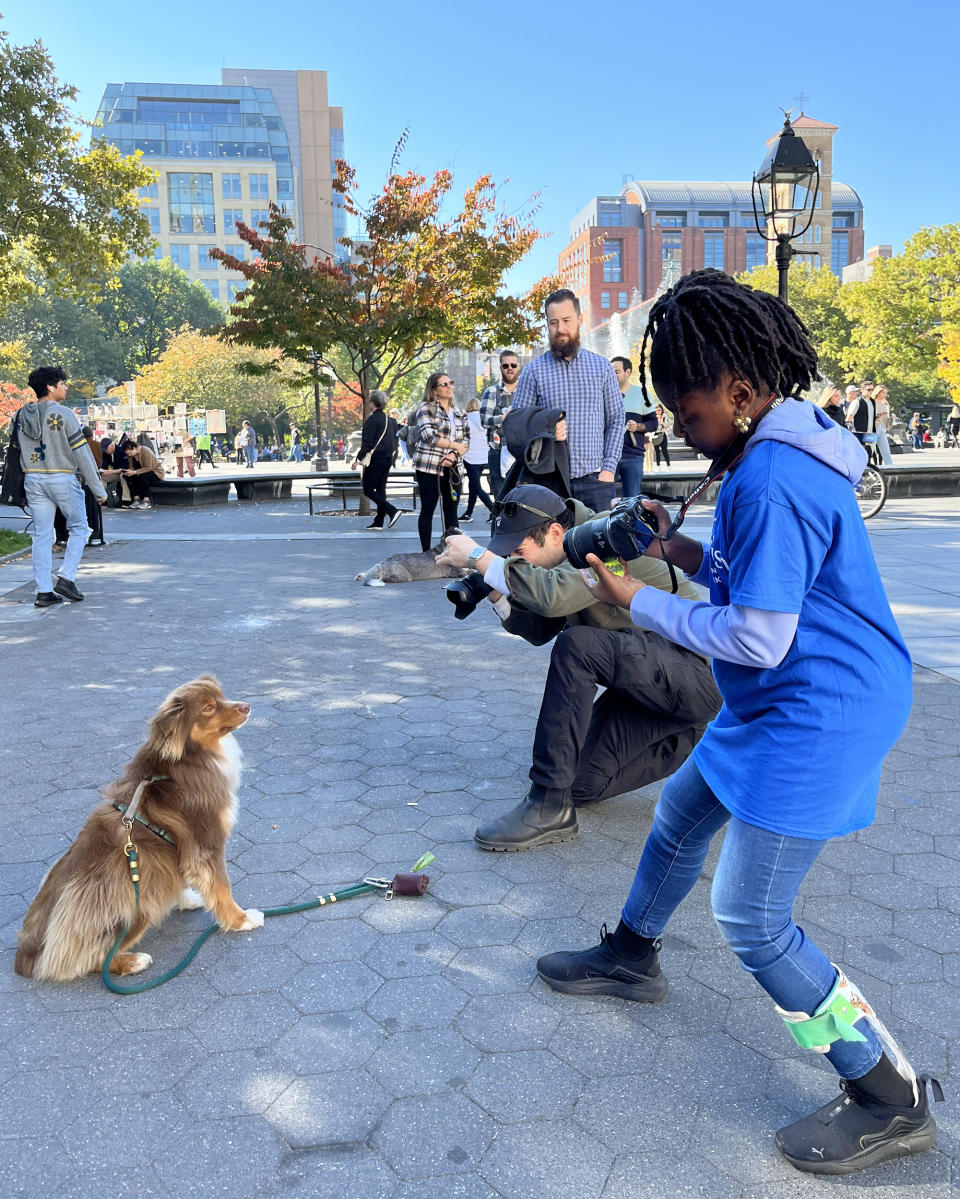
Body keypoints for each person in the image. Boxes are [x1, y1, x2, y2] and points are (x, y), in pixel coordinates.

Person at [534, 270, 940, 1177]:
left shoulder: (773, 479)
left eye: (688, 407)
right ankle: (632, 954)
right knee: (681, 810)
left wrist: (637, 598)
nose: (679, 425)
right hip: (782, 696)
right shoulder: (768, 456)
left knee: (752, 915)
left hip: (820, 709)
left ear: (744, 392)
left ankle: (889, 1093)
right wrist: (677, 550)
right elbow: (757, 579)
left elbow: (758, 633)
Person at [437, 483, 721, 850]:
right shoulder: (561, 556)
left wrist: (478, 556)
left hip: (693, 677)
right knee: (580, 785)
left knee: (579, 646)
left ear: (556, 532)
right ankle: (700, 746)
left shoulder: (608, 538)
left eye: (519, 553)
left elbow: (550, 597)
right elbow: (540, 627)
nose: (516, 561)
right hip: (652, 692)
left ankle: (547, 806)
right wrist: (497, 592)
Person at [512, 289, 625, 511]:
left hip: (596, 481)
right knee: (554, 546)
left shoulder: (601, 367)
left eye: (566, 320)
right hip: (548, 483)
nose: (560, 329)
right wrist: (545, 431)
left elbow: (616, 420)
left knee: (596, 545)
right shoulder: (533, 371)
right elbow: (517, 429)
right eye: (553, 322)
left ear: (580, 320)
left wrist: (608, 469)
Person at [17, 366, 107, 607]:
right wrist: (99, 490)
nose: (66, 387)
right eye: (63, 383)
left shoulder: (21, 415)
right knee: (80, 528)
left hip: (33, 479)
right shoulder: (65, 414)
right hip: (62, 477)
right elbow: (83, 454)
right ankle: (67, 577)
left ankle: (43, 591)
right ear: (50, 387)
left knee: (42, 535)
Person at [412, 372, 469, 551]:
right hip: (429, 467)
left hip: (453, 468)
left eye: (449, 382)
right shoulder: (425, 409)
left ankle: (453, 553)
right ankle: (425, 553)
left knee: (451, 512)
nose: (449, 386)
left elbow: (466, 441)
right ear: (434, 390)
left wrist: (453, 455)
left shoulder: (460, 412)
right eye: (443, 384)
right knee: (428, 509)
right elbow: (429, 436)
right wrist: (454, 446)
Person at [352, 391, 402, 530]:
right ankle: (379, 521)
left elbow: (367, 444)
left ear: (372, 404)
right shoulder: (390, 420)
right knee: (380, 489)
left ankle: (392, 511)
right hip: (387, 459)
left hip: (375, 459)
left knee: (368, 489)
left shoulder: (372, 421)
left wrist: (358, 459)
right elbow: (394, 441)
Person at [611, 356, 656, 495]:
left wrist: (638, 426)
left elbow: (653, 423)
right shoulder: (602, 394)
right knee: (604, 500)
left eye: (617, 372)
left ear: (628, 372)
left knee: (631, 500)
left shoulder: (642, 394)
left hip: (633, 457)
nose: (613, 375)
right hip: (607, 458)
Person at [479, 350, 521, 498]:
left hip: (522, 453)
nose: (510, 368)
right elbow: (484, 420)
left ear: (518, 366)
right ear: (501, 368)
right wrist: (502, 419)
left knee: (523, 497)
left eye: (513, 365)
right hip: (497, 451)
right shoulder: (491, 392)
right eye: (506, 365)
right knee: (501, 499)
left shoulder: (526, 390)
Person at [459, 399, 495, 523]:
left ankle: (494, 511)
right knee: (473, 485)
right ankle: (468, 513)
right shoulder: (484, 418)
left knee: (475, 485)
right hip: (485, 455)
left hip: (470, 456)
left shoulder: (465, 418)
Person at [123, 440, 165, 508]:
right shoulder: (130, 456)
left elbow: (148, 467)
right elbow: (132, 467)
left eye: (130, 453)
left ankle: (146, 501)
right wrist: (128, 471)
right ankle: (136, 499)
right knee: (130, 477)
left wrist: (135, 472)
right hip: (141, 472)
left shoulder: (145, 451)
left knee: (143, 476)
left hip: (155, 471)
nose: (129, 455)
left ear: (134, 448)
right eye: (128, 454)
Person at [873, 384, 894, 465]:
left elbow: (887, 419)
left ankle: (890, 469)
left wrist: (887, 408)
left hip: (882, 428)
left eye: (886, 393)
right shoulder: (872, 403)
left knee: (886, 451)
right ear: (878, 393)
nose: (885, 395)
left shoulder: (885, 404)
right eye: (883, 393)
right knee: (870, 451)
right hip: (873, 428)